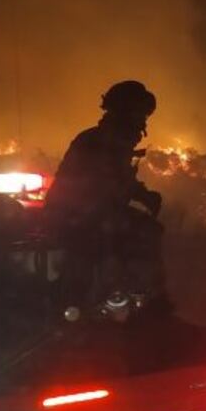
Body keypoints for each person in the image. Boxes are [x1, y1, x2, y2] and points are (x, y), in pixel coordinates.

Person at [45, 80, 165, 313]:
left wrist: (143, 194)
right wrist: (139, 196)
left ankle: (122, 298)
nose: (142, 124)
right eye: (140, 115)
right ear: (126, 114)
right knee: (141, 233)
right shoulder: (103, 142)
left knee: (139, 232)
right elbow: (102, 184)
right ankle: (95, 304)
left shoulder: (105, 140)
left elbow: (117, 181)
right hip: (74, 216)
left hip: (85, 213)